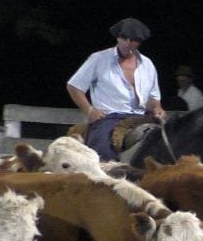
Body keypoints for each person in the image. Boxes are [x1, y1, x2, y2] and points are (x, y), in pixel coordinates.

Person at [66, 17, 166, 161]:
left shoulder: (147, 64)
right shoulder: (99, 59)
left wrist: (157, 107)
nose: (127, 43)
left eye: (133, 40)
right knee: (103, 151)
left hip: (141, 117)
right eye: (124, 38)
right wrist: (89, 111)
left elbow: (152, 98)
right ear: (118, 38)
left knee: (170, 142)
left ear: (139, 42)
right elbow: (74, 86)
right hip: (109, 117)